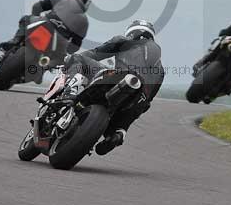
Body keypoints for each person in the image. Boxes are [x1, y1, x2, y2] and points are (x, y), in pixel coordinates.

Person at [63, 19, 164, 155]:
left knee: (77, 59)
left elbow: (95, 54)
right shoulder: (161, 70)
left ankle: (69, 93)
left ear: (132, 31)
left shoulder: (124, 41)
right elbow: (147, 104)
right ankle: (118, 134)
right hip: (137, 100)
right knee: (140, 106)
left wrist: (68, 61)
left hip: (118, 77)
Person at [0, 0, 91, 56]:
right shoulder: (85, 21)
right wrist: (66, 50)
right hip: (60, 42)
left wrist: (36, 21)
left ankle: (15, 41)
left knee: (26, 19)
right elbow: (75, 46)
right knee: (58, 60)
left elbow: (37, 7)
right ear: (86, 4)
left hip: (44, 24)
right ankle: (44, 67)